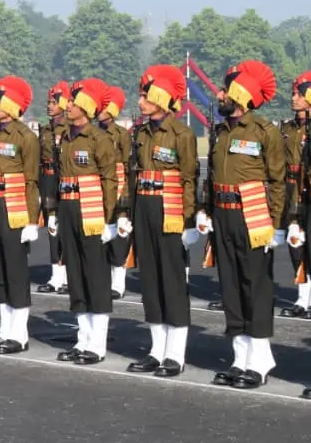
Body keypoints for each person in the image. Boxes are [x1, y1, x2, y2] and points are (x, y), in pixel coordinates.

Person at [195, 61, 284, 389]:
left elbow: (277, 181)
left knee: (255, 287)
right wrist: (205, 210)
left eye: (225, 90)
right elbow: (212, 176)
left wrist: (276, 224)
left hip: (253, 215)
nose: (219, 95)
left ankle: (259, 362)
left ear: (242, 94)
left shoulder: (265, 132)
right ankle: (239, 358)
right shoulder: (221, 132)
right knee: (230, 286)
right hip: (223, 214)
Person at [126, 65, 197, 378]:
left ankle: (175, 354)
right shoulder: (141, 133)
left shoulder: (182, 134)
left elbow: (189, 179)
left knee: (172, 280)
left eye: (146, 96)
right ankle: (157, 350)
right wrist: (128, 214)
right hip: (144, 207)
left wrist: (188, 220)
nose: (140, 101)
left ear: (162, 97)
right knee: (150, 280)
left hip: (170, 209)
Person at [54, 79, 118, 366]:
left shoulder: (99, 139)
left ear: (87, 106)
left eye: (73, 101)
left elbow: (110, 180)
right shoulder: (65, 138)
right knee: (76, 274)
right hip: (68, 208)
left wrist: (108, 219)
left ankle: (97, 345)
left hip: (91, 211)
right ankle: (83, 340)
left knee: (95, 275)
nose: (67, 105)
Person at [0, 77, 40, 355]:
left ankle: (19, 334)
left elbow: (31, 181)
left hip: (13, 206)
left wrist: (31, 220)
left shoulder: (26, 137)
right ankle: (4, 330)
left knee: (15, 270)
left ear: (12, 105)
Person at [279, 73, 311, 318]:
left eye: (299, 94)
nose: (294, 98)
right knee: (295, 243)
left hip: (307, 189)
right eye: (293, 94)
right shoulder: (287, 128)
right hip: (289, 188)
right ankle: (302, 298)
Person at [37, 82, 72, 294]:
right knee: (52, 228)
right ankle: (56, 276)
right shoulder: (45, 129)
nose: (49, 106)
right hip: (47, 180)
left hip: (63, 179)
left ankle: (68, 276)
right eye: (48, 102)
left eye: (53, 102)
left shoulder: (69, 128)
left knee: (66, 229)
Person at [99, 88, 134, 299]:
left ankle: (118, 284)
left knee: (119, 238)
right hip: (98, 190)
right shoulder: (94, 133)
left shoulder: (121, 135)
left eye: (104, 108)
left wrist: (125, 197)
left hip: (118, 188)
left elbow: (128, 167)